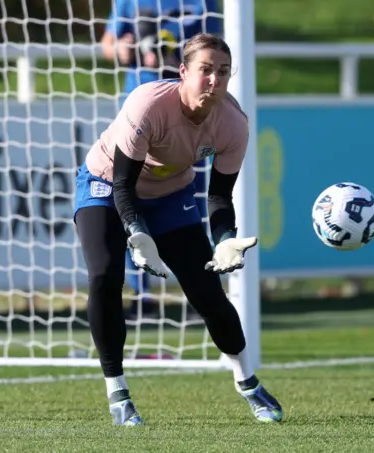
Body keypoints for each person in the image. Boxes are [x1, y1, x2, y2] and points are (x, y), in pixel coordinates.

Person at [74, 33, 283, 426]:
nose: (214, 81)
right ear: (183, 72)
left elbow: (219, 197)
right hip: (104, 185)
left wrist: (224, 241)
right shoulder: (148, 103)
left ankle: (249, 384)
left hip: (171, 195)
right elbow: (122, 185)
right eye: (205, 71)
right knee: (104, 275)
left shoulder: (234, 124)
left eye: (223, 72)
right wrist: (137, 234)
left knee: (206, 289)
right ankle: (118, 393)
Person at [101, 0, 222, 319]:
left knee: (190, 204)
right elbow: (108, 45)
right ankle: (141, 297)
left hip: (188, 116)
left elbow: (217, 48)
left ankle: (199, 294)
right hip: (139, 115)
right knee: (129, 201)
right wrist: (127, 49)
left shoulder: (203, 3)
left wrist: (171, 53)